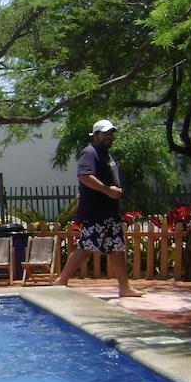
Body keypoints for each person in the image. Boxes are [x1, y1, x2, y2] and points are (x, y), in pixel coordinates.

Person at [53, 119, 144, 297]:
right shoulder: (89, 153)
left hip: (110, 213)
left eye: (111, 134)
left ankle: (124, 288)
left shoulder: (105, 154)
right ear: (95, 135)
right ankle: (61, 280)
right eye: (105, 134)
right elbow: (84, 176)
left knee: (117, 248)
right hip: (96, 213)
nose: (109, 137)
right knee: (85, 247)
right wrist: (107, 190)